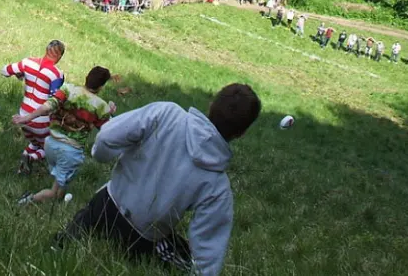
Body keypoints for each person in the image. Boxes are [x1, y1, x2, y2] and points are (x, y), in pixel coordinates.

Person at [55, 84, 261, 276]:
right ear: (241, 133)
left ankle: (63, 242)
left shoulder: (166, 113)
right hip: (141, 239)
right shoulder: (217, 185)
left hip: (103, 206)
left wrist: (100, 155)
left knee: (66, 243)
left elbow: (107, 137)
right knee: (184, 262)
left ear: (210, 105)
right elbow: (209, 247)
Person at [14, 67, 116, 204]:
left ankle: (58, 202)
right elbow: (111, 129)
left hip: (50, 145)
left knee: (62, 183)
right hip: (70, 152)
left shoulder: (67, 89)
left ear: (87, 77)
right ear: (101, 86)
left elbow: (48, 106)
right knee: (54, 192)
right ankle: (26, 202)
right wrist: (111, 113)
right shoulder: (101, 106)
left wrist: (27, 117)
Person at [2, 40, 66, 174]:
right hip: (40, 119)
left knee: (34, 143)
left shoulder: (28, 62)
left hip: (23, 115)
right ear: (59, 56)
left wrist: (20, 74)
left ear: (46, 50)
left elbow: (5, 71)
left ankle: (23, 167)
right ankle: (31, 158)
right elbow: (54, 100)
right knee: (48, 147)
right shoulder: (56, 74)